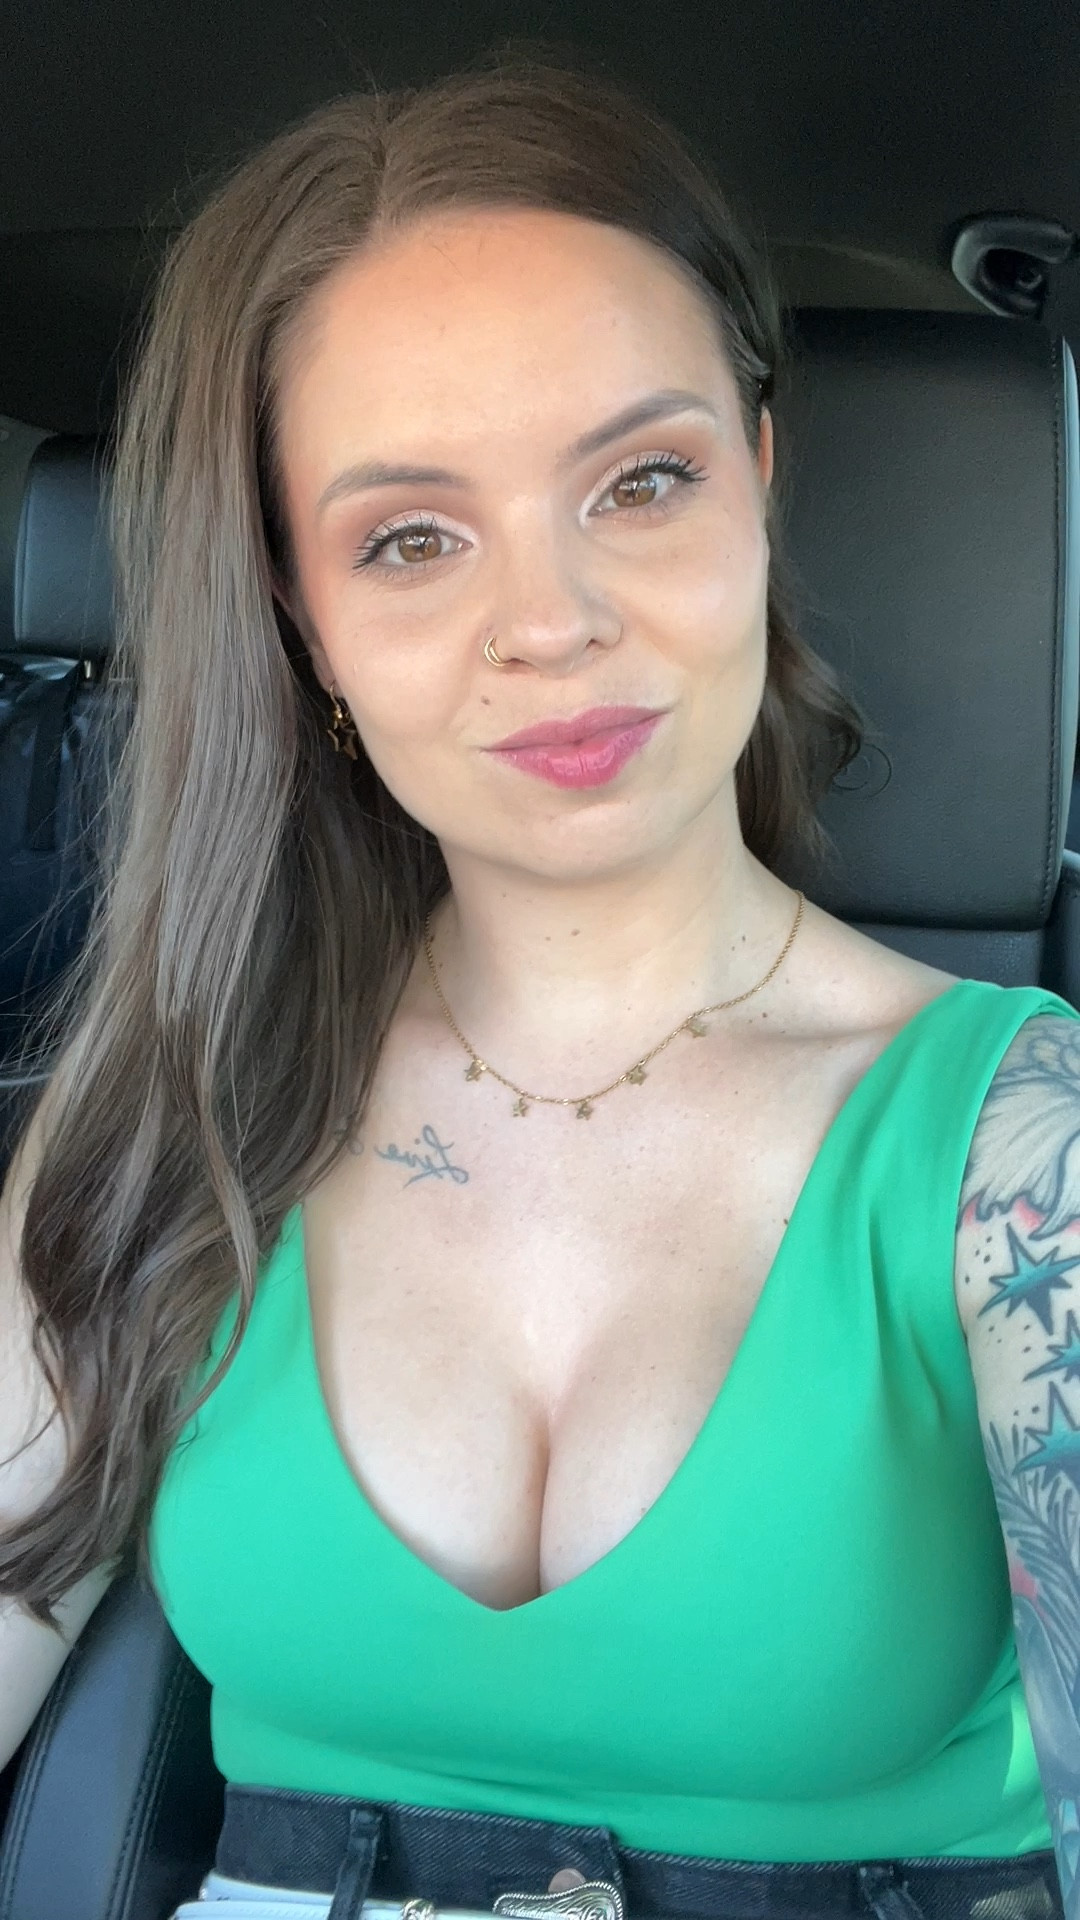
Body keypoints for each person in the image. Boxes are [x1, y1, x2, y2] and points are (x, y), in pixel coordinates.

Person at [1, 44, 1078, 1920]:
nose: (553, 623)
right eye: (410, 539)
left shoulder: (1021, 1159)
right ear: (303, 619)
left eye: (641, 482)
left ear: (758, 486)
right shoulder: (178, 1120)